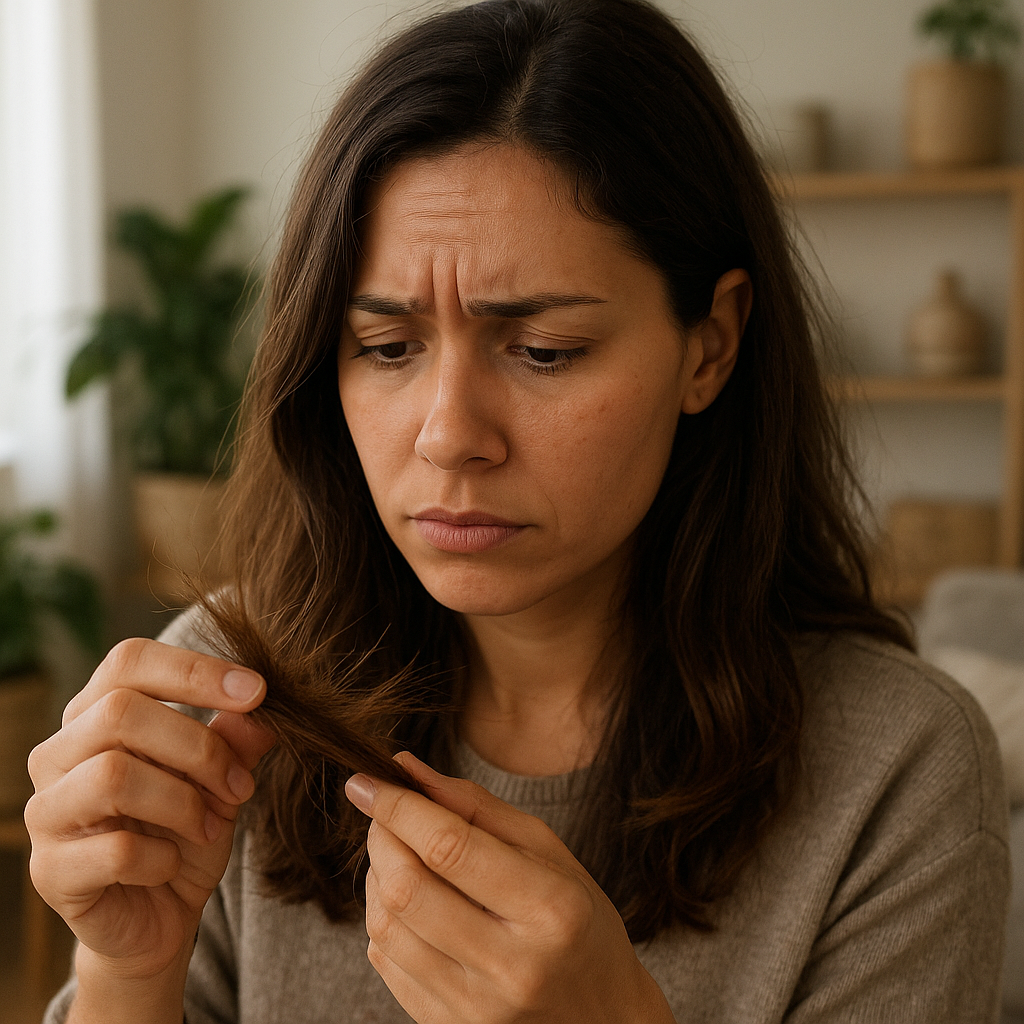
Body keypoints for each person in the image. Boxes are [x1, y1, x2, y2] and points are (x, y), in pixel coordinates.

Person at [27, 0, 1010, 1021]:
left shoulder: (898, 773)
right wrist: (126, 971)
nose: (448, 434)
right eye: (387, 348)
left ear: (708, 346)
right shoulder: (231, 701)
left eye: (542, 350)